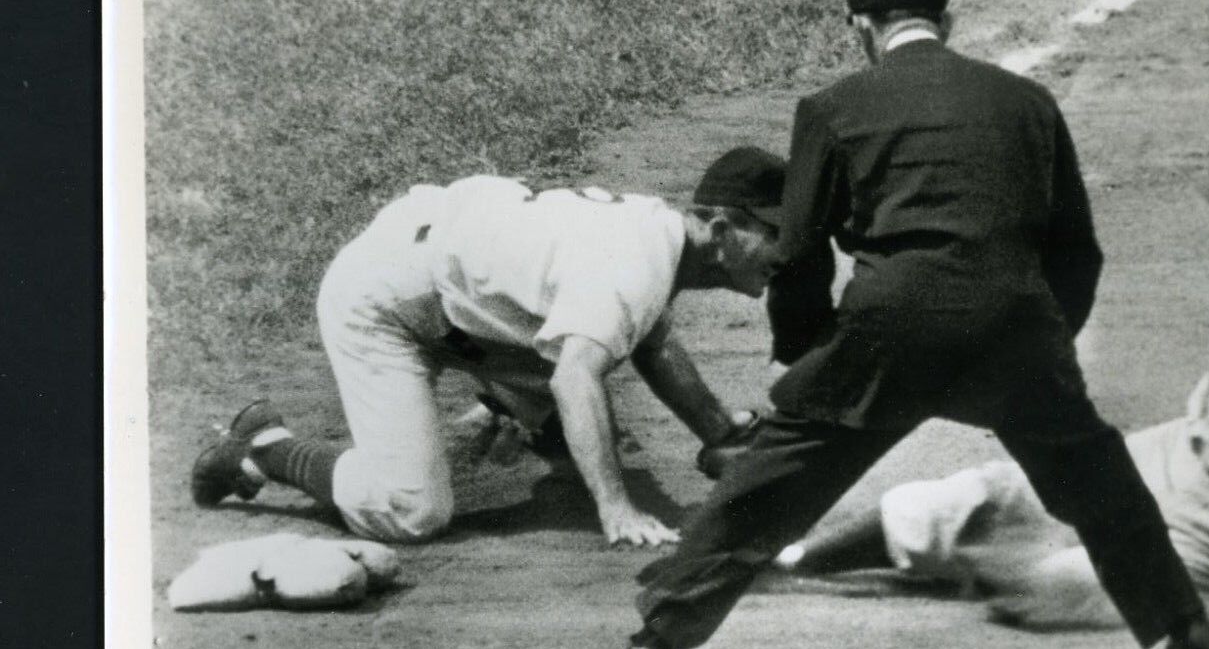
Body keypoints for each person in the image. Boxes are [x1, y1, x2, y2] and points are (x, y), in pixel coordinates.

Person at [613, 0, 1209, 649]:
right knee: (1093, 472)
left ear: (860, 28)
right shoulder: (1028, 101)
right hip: (1014, 325)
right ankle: (1183, 627)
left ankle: (656, 643)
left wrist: (807, 360)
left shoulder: (833, 107)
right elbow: (1076, 251)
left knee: (771, 485)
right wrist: (1047, 342)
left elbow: (800, 253)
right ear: (947, 20)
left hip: (887, 328)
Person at [777, 17, 1209, 633]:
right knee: (974, 494)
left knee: (1054, 584)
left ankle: (1004, 570)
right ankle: (787, 564)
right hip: (1165, 460)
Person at [190, 148, 787, 548]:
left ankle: (516, 410)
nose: (788, 253)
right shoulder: (633, 266)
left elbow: (654, 339)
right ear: (718, 227)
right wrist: (617, 509)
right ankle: (265, 448)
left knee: (598, 355)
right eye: (774, 233)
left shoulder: (657, 233)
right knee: (412, 510)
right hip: (383, 301)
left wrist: (718, 433)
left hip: (447, 270)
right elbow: (576, 375)